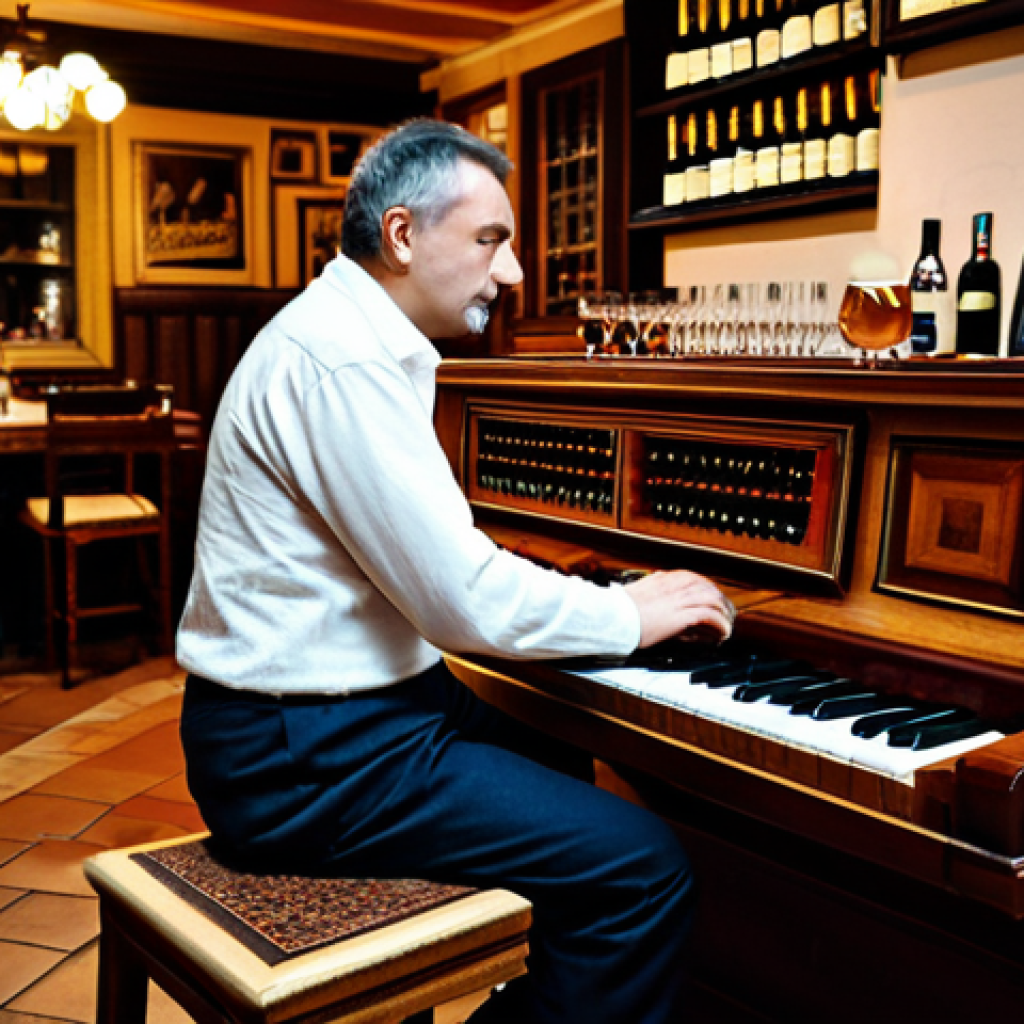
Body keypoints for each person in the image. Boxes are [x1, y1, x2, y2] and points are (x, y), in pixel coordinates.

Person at [176, 118, 736, 1023]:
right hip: (303, 756)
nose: (511, 272)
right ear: (402, 236)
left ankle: (572, 985)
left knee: (562, 745)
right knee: (642, 869)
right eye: (490, 240)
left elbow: (448, 574)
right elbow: (461, 599)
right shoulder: (341, 358)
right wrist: (627, 612)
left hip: (355, 717)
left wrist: (596, 611)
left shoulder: (359, 337)